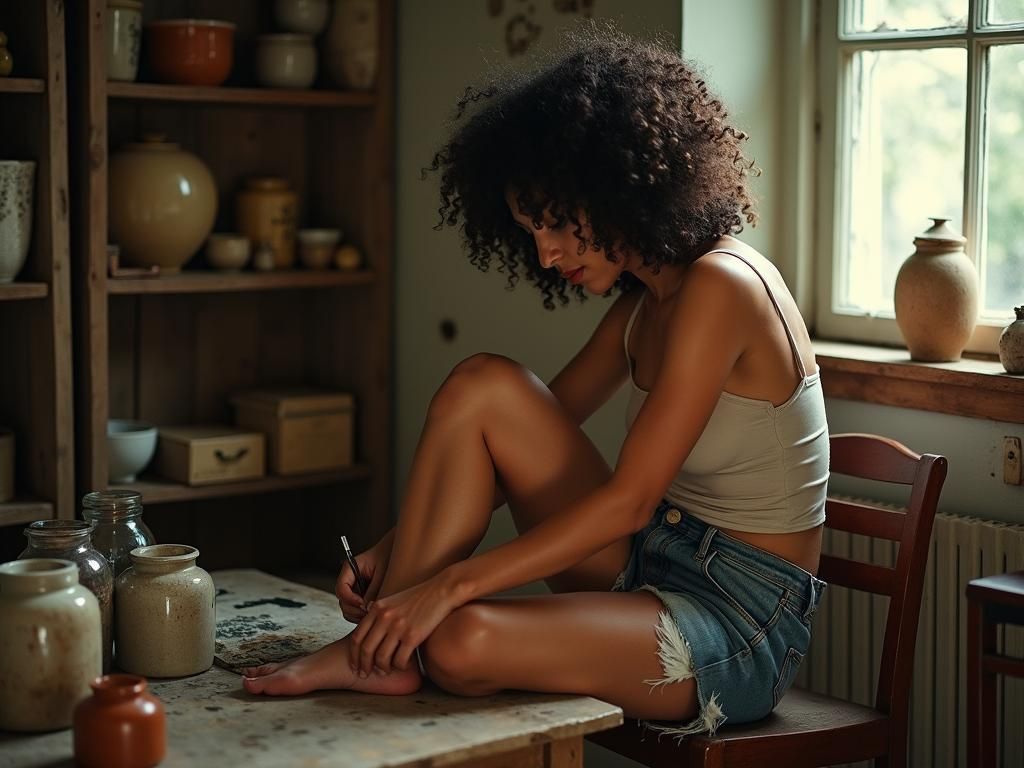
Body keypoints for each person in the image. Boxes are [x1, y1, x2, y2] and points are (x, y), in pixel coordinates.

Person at [241, 25, 829, 738]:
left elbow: (628, 503)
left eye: (557, 224)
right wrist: (393, 553)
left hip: (739, 621)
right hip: (658, 562)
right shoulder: (645, 300)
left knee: (457, 641)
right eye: (530, 232)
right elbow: (500, 446)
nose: (546, 255)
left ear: (618, 186)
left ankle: (385, 644)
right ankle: (378, 650)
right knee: (483, 385)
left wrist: (447, 587)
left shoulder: (721, 286)